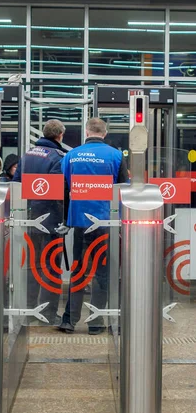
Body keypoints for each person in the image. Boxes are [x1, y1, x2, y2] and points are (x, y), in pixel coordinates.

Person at [57, 117, 128, 335]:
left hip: (78, 221)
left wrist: (66, 220)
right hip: (105, 222)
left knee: (78, 270)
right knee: (102, 273)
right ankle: (96, 322)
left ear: (86, 132)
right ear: (104, 134)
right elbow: (123, 191)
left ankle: (69, 321)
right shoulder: (116, 156)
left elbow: (65, 189)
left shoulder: (71, 156)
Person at [13, 120, 67, 324]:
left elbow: (16, 184)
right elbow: (57, 192)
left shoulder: (26, 155)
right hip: (51, 221)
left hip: (29, 220)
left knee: (32, 265)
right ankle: (49, 313)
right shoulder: (58, 157)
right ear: (60, 135)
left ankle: (28, 310)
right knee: (52, 265)